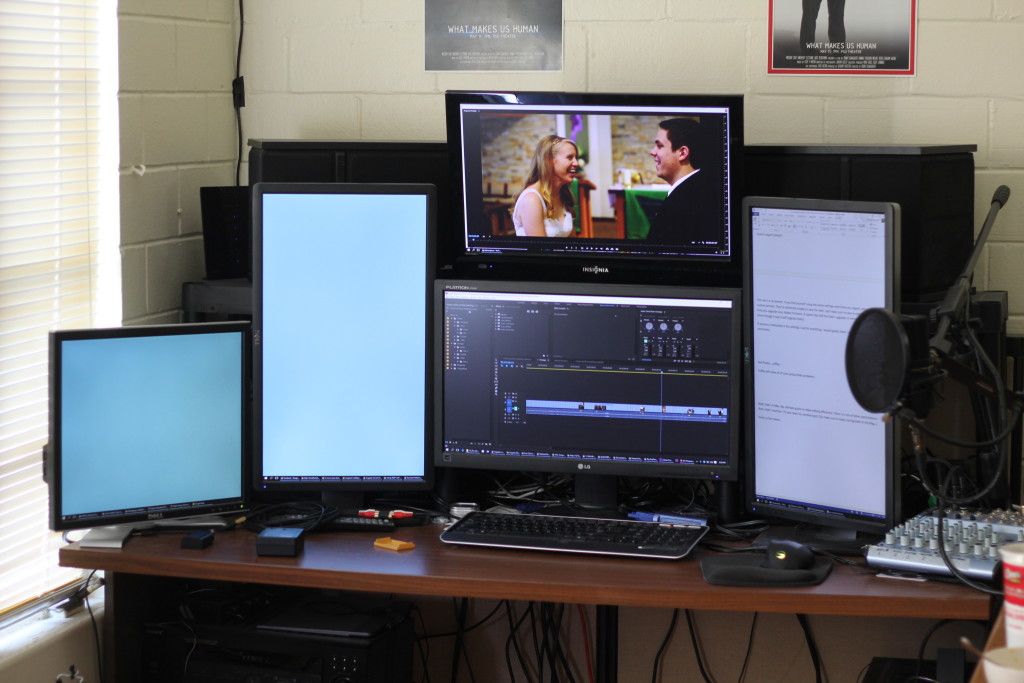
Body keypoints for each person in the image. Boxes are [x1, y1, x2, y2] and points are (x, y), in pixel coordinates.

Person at [646, 118, 719, 245]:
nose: (652, 152)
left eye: (659, 146)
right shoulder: (699, 189)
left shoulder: (685, 203)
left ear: (682, 153)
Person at [511, 135, 579, 237]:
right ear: (549, 161)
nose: (576, 163)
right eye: (569, 157)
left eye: (576, 158)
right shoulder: (532, 199)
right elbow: (540, 250)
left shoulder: (562, 193)